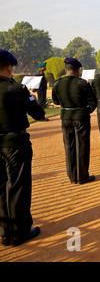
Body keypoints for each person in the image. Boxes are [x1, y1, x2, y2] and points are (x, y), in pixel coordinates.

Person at [0, 49, 45, 247]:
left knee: (1, 188)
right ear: (10, 67)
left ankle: (5, 232)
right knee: (18, 187)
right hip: (15, 143)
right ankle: (19, 231)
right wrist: (31, 98)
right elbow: (37, 113)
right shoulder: (15, 89)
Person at [52, 58, 97, 185]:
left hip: (66, 117)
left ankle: (72, 176)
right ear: (77, 70)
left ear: (66, 69)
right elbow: (93, 102)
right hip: (81, 117)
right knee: (82, 146)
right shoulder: (82, 83)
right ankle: (82, 176)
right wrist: (86, 111)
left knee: (69, 146)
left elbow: (55, 101)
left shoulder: (57, 83)